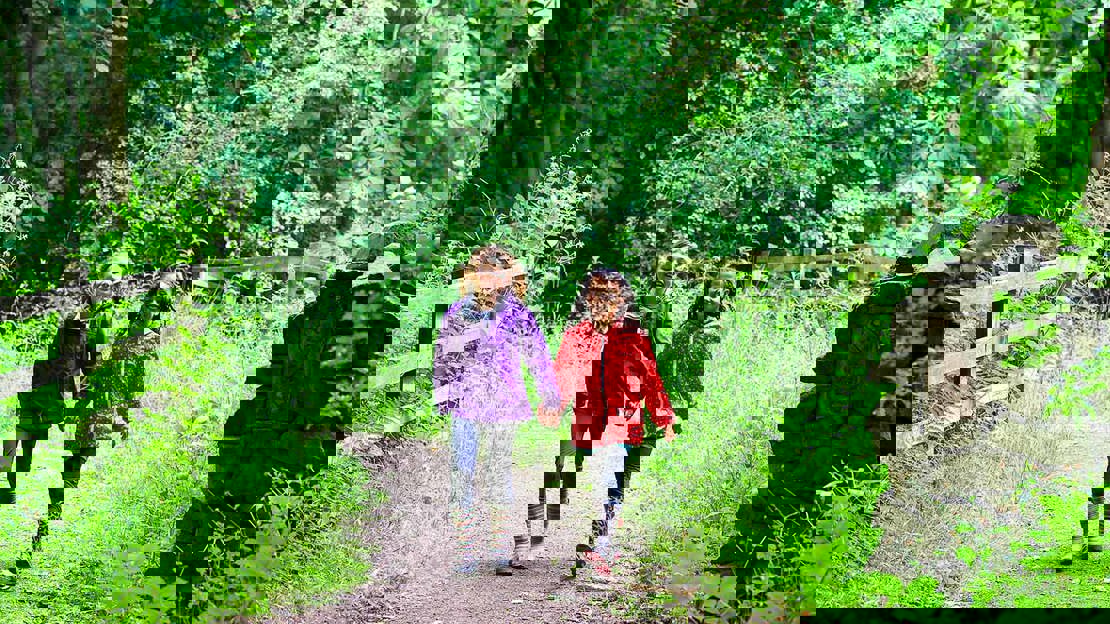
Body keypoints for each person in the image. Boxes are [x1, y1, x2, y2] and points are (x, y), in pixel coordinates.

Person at [536, 267, 677, 576]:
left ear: (621, 300)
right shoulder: (577, 336)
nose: (603, 302)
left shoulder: (632, 336)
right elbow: (563, 374)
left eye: (610, 296)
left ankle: (600, 548)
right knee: (588, 483)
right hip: (588, 421)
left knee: (610, 482)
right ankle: (591, 541)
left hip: (622, 421)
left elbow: (650, 378)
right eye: (597, 295)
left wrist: (664, 418)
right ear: (588, 299)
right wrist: (553, 406)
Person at [432, 244, 562, 577]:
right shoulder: (460, 311)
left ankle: (496, 550)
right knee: (462, 473)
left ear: (507, 278)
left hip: (504, 406)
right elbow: (444, 357)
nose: (488, 280)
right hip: (466, 405)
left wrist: (550, 396)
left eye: (495, 274)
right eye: (482, 273)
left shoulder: (517, 313)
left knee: (498, 475)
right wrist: (443, 400)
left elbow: (538, 355)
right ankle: (464, 549)